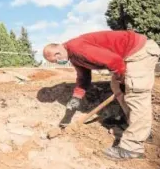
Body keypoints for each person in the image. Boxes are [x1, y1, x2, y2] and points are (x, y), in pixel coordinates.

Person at [43, 30, 160, 160]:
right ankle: (139, 129)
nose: (58, 62)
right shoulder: (74, 57)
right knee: (116, 88)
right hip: (127, 56)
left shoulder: (78, 48)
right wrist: (76, 98)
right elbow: (83, 79)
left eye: (56, 60)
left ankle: (132, 149)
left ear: (57, 53)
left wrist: (122, 78)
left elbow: (114, 60)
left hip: (139, 51)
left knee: (135, 94)